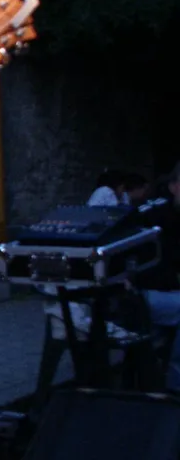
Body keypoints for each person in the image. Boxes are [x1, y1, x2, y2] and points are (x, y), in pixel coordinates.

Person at [131, 161, 180, 390]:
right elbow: (147, 268)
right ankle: (175, 383)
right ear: (173, 186)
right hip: (147, 293)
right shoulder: (153, 218)